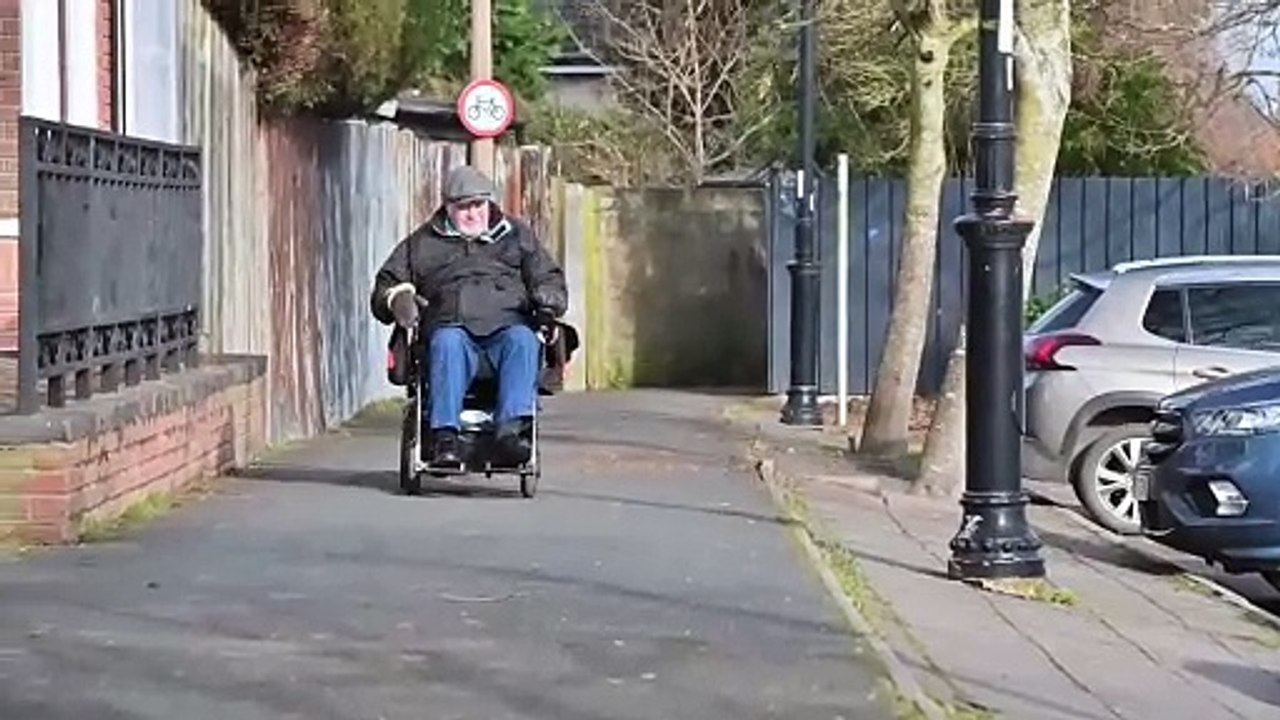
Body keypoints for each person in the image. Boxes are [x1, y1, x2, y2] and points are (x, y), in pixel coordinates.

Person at [369, 165, 568, 467]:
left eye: (478, 205)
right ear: (448, 207)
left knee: (524, 339)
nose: (472, 214)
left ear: (488, 203)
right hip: (451, 327)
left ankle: (511, 433)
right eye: (463, 207)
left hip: (507, 326)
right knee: (447, 341)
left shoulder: (517, 236)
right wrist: (398, 298)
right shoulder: (422, 243)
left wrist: (548, 297)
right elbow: (386, 284)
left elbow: (548, 277)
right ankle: (445, 438)